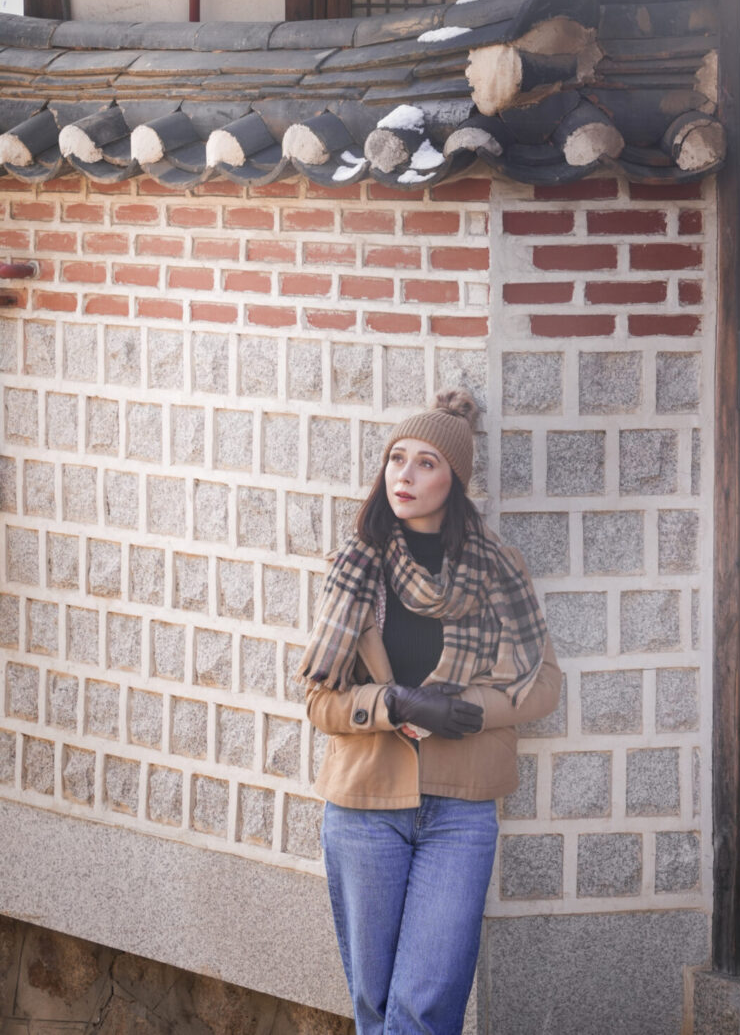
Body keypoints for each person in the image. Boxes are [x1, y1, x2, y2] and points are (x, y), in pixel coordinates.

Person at [295, 387, 562, 1035]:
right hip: (362, 808)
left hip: (459, 811)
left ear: (455, 481)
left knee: (424, 1009)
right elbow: (318, 698)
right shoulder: (356, 568)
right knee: (377, 1007)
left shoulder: (498, 570)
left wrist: (465, 709)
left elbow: (542, 684)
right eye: (396, 460)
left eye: (425, 463)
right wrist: (394, 704)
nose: (404, 476)